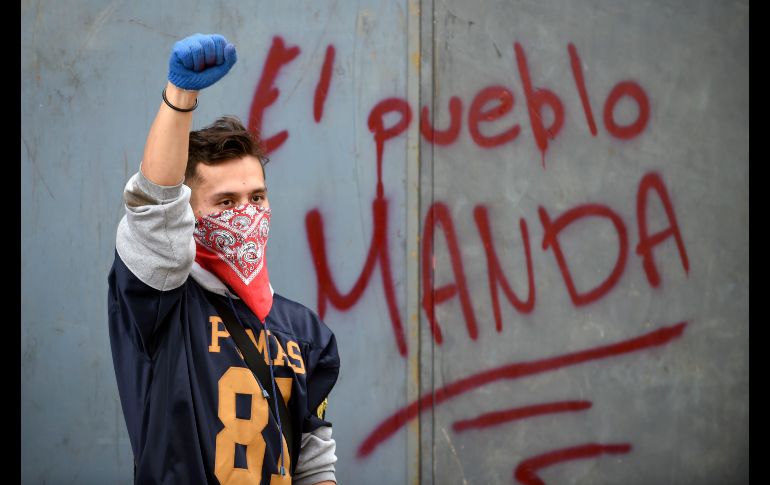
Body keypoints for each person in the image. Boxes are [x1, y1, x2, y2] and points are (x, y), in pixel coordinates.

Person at [107, 33, 340, 484]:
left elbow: (314, 462)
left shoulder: (306, 332)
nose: (247, 214)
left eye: (257, 197)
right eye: (226, 203)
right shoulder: (164, 308)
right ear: (189, 213)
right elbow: (155, 209)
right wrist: (179, 97)